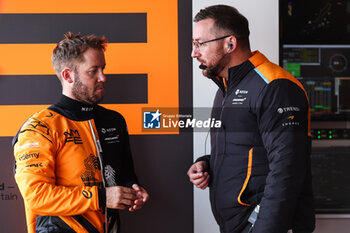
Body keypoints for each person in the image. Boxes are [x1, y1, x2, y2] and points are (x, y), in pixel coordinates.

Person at [187, 5, 315, 233]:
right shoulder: (225, 88)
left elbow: (287, 169)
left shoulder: (276, 86)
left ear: (230, 44)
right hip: (235, 225)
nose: (194, 53)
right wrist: (206, 163)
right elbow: (248, 149)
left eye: (200, 43)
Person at [13, 32, 149, 233]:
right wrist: (102, 197)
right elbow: (36, 196)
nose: (103, 77)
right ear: (68, 75)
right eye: (93, 71)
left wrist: (133, 189)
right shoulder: (39, 128)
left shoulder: (114, 120)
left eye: (103, 68)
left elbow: (123, 174)